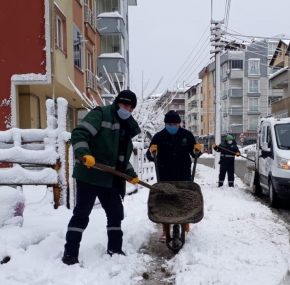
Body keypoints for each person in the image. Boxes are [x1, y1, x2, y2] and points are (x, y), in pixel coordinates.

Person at [62, 90, 141, 265]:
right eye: (124, 104)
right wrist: (84, 153)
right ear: (117, 103)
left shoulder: (127, 126)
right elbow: (79, 134)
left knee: (115, 213)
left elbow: (121, 159)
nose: (127, 109)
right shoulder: (101, 114)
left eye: (130, 107)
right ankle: (70, 253)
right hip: (89, 174)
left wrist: (131, 174)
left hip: (109, 178)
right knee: (82, 214)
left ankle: (115, 249)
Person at [146, 110, 202, 241]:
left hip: (184, 173)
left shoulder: (187, 135)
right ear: (165, 124)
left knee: (184, 198)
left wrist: (197, 150)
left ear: (179, 123)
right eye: (170, 124)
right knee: (165, 202)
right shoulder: (159, 137)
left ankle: (185, 222)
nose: (172, 126)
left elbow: (194, 154)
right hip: (165, 173)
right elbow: (150, 156)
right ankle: (165, 231)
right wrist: (152, 152)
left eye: (175, 123)